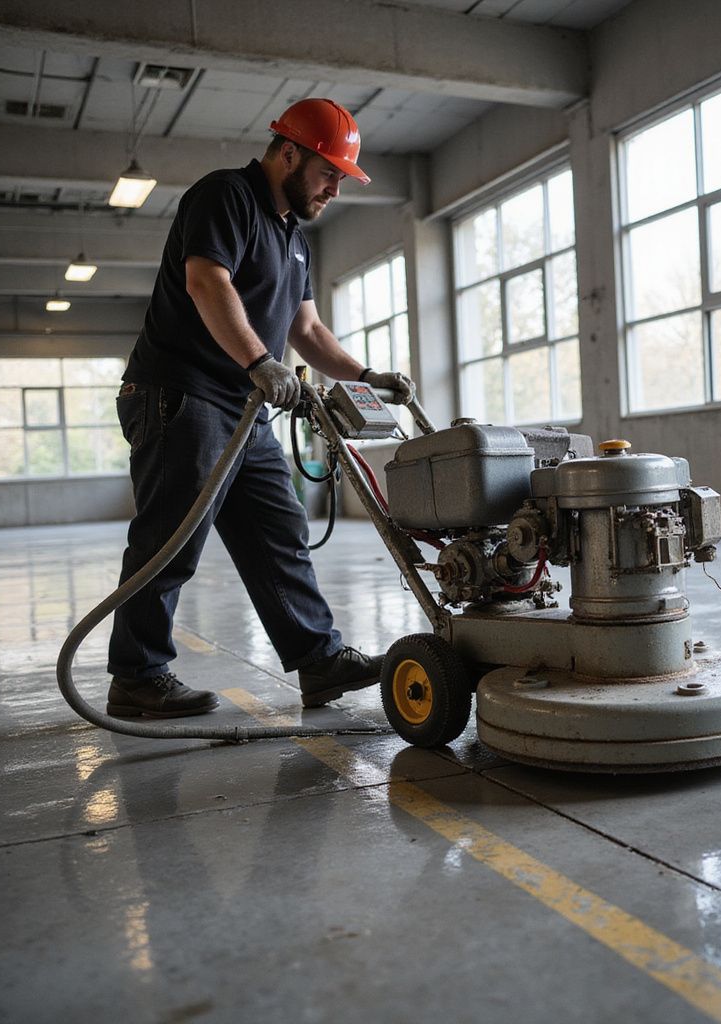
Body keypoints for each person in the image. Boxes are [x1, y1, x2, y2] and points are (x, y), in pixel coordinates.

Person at [106, 98, 410, 719]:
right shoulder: (227, 197)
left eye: (340, 180)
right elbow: (206, 282)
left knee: (279, 531)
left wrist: (367, 375)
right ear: (289, 152)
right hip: (180, 394)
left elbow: (308, 330)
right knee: (172, 537)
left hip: (245, 408)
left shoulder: (294, 238)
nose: (333, 190)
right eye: (328, 173)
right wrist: (257, 362)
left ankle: (318, 661)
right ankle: (136, 676)